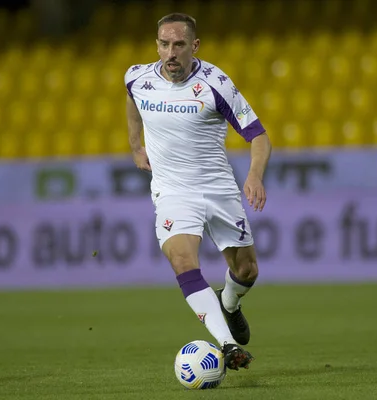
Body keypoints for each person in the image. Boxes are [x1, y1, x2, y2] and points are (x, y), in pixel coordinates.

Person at [124, 12, 271, 371]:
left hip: (218, 189)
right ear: (156, 44)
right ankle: (227, 345)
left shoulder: (215, 84)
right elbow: (132, 101)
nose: (170, 53)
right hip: (173, 192)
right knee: (183, 261)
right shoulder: (137, 77)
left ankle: (230, 304)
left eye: (178, 44)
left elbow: (259, 136)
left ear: (194, 46)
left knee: (247, 270)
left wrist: (253, 176)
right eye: (163, 44)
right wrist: (134, 145)